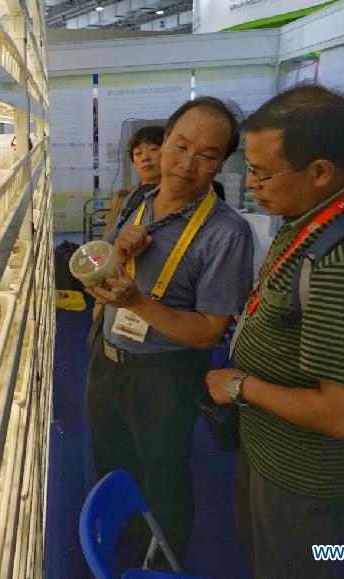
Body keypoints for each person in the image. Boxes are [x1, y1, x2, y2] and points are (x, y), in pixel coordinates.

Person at [206, 85, 344, 578]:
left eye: (262, 173)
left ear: (321, 171)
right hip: (270, 442)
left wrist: (241, 385)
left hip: (304, 470)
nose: (252, 185)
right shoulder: (321, 208)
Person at [85, 97, 254, 565]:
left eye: (207, 155)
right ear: (163, 143)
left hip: (165, 373)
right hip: (109, 357)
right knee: (111, 456)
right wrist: (115, 252)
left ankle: (165, 561)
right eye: (179, 146)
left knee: (164, 473)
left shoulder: (227, 233)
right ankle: (124, 536)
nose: (187, 164)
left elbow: (208, 331)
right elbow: (104, 268)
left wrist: (139, 302)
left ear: (222, 162)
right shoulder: (137, 200)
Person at [102, 126, 164, 238]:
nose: (145, 157)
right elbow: (112, 234)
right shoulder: (126, 196)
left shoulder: (178, 195)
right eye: (138, 153)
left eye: (153, 149)